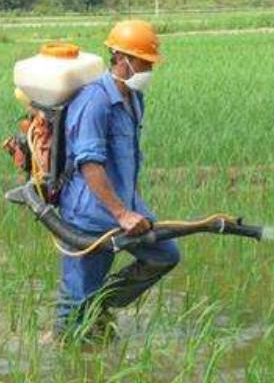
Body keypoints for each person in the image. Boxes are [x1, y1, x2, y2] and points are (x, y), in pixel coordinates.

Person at [51, 20, 180, 342]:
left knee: (165, 255)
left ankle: (99, 307)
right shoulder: (94, 101)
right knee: (76, 298)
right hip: (91, 215)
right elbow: (89, 163)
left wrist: (130, 208)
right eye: (144, 61)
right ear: (122, 58)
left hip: (126, 208)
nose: (150, 67)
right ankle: (66, 351)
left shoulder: (134, 99)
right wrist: (121, 214)